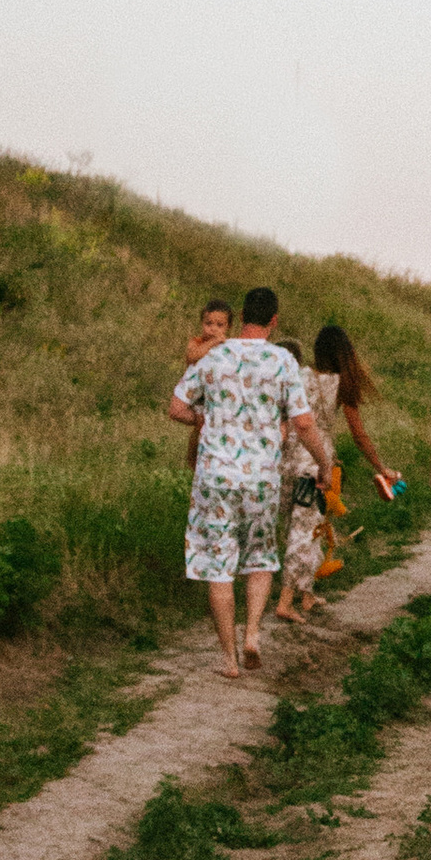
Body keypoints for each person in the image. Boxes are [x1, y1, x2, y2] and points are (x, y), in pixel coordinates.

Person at [167, 286, 335, 675]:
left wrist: (204, 420)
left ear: (241, 317)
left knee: (217, 565)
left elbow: (177, 407)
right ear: (274, 321)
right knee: (260, 557)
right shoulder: (281, 361)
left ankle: (229, 659)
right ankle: (253, 634)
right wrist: (324, 464)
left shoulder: (214, 355)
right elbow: (304, 422)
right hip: (261, 477)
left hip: (214, 478)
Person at [276, 318, 398, 620]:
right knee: (305, 531)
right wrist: (382, 467)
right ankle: (285, 601)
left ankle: (307, 595)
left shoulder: (298, 374)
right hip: (316, 465)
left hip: (284, 459)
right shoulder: (341, 384)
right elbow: (359, 435)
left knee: (307, 526)